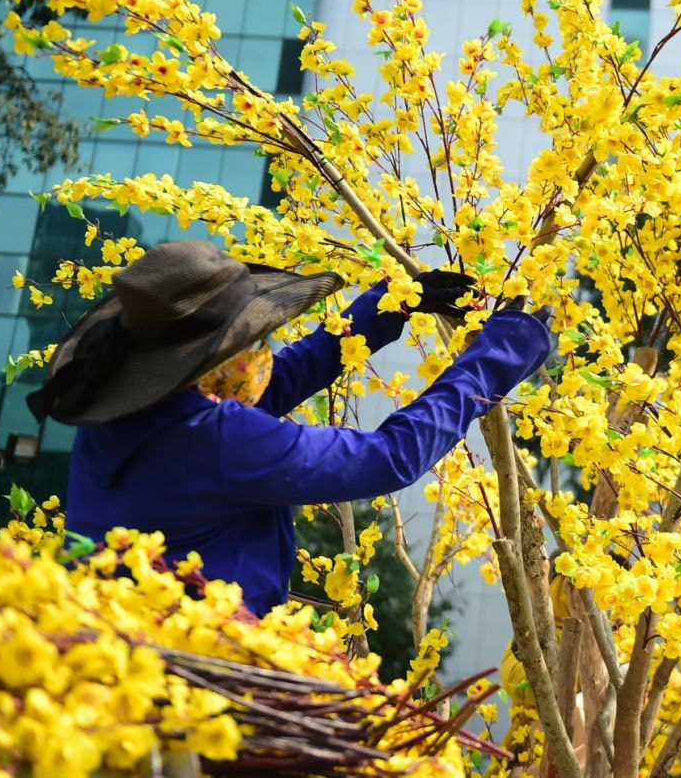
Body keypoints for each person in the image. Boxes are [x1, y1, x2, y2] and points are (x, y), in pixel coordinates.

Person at [28, 239, 550, 616]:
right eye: (249, 342)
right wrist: (496, 357)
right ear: (204, 364)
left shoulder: (123, 413)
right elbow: (388, 457)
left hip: (121, 643)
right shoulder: (218, 440)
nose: (264, 354)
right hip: (203, 674)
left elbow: (284, 379)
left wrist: (390, 304)